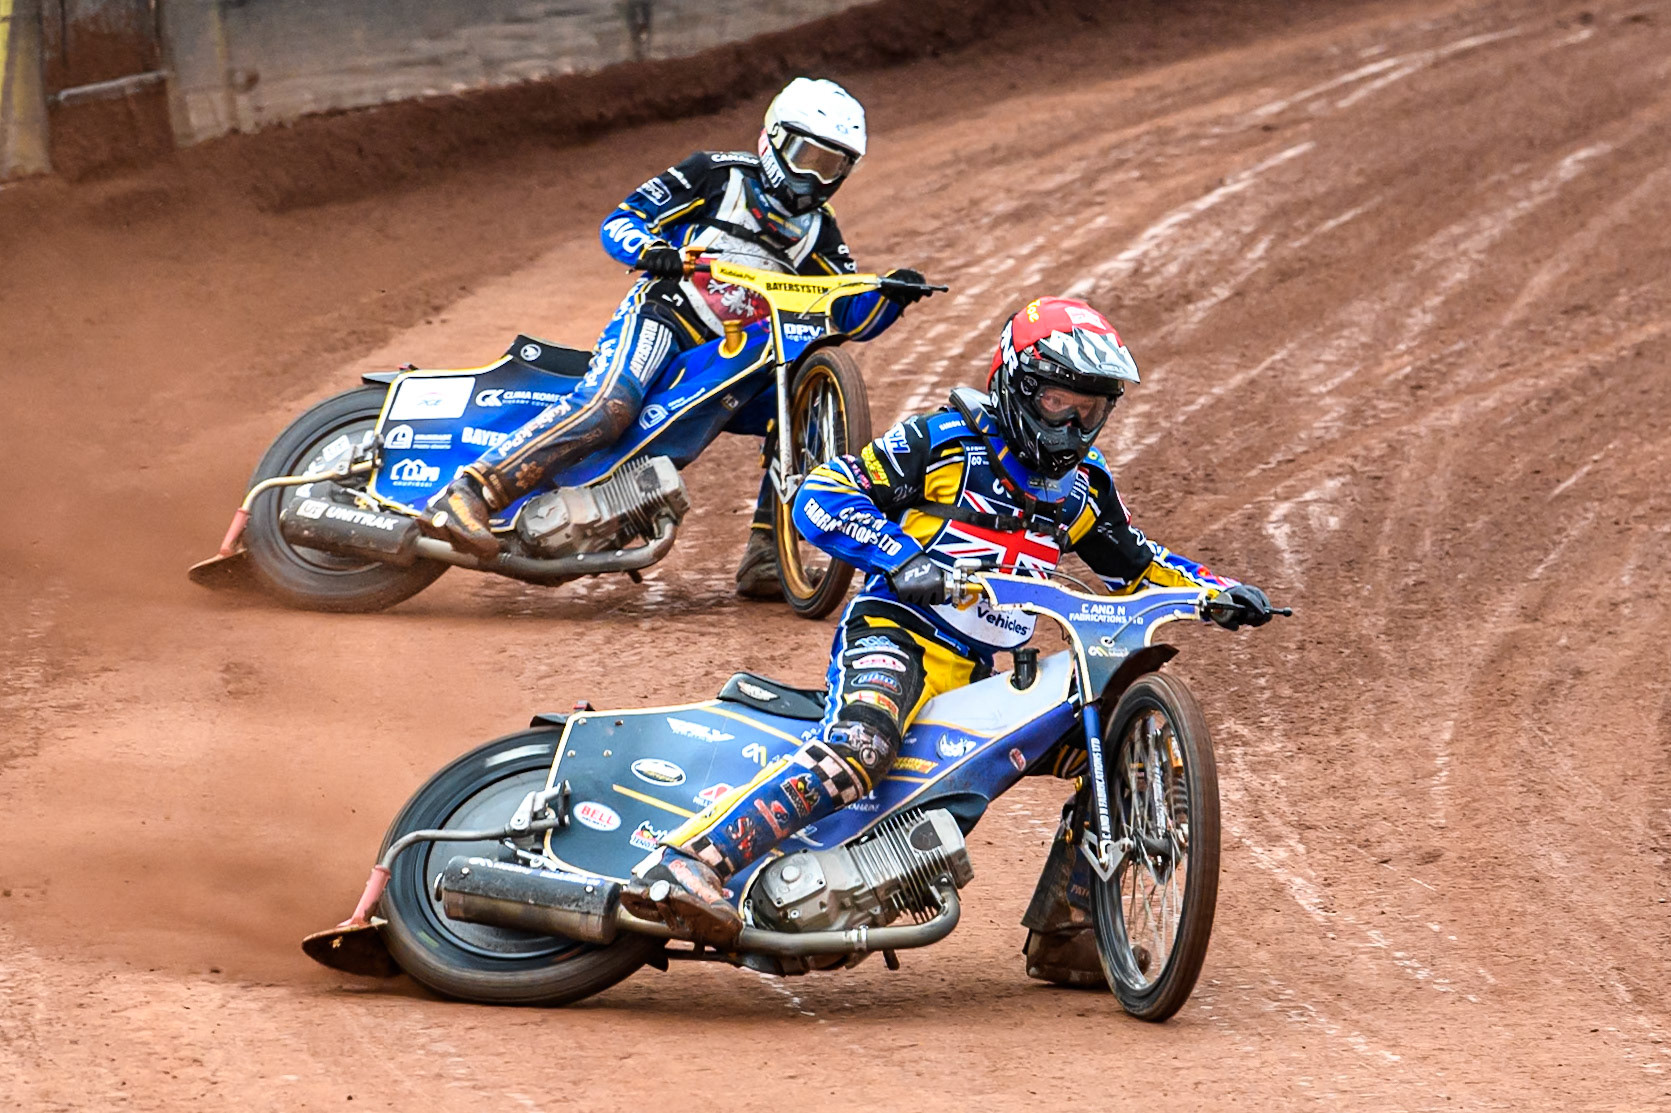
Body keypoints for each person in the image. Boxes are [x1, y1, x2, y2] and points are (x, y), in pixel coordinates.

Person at [622, 296, 1276, 980]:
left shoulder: (1081, 488)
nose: (1073, 422)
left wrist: (1213, 591)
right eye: (1060, 401)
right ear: (1018, 383)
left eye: (1090, 409)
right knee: (862, 745)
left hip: (977, 667)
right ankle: (688, 863)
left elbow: (1138, 561)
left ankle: (1069, 930)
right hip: (896, 631)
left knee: (1112, 749)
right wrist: (901, 556)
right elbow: (821, 491)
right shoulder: (945, 440)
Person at [426, 77, 926, 597]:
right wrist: (650, 250)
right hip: (665, 316)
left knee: (795, 410)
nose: (812, 176)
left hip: (726, 356)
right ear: (774, 138)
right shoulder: (714, 173)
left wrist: (891, 296)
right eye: (805, 155)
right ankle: (472, 493)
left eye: (831, 165)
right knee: (611, 405)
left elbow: (845, 312)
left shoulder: (821, 231)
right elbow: (623, 219)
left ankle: (767, 556)